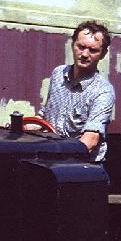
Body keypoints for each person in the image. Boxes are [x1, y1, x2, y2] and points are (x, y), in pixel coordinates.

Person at [41, 21, 115, 162]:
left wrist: (54, 156)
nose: (85, 54)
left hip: (81, 165)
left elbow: (90, 141)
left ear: (103, 54)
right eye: (81, 47)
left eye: (93, 50)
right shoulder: (58, 74)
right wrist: (10, 127)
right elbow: (44, 118)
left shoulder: (103, 91)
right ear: (72, 45)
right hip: (50, 160)